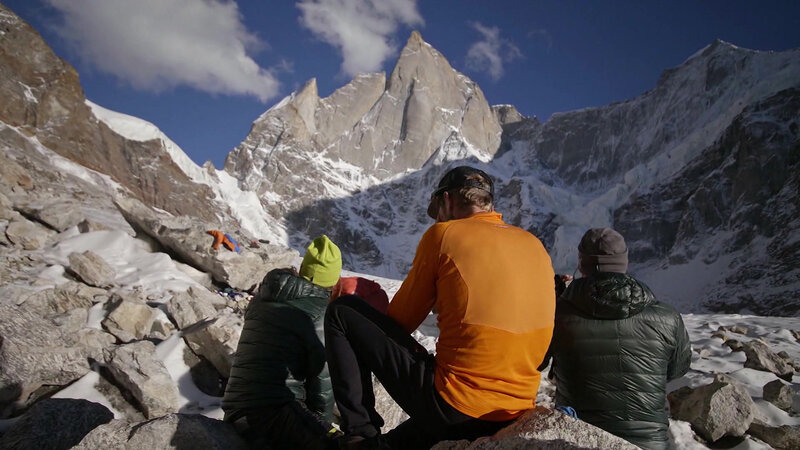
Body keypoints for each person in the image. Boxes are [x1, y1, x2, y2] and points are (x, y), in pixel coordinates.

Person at [324, 166, 556, 449]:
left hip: (456, 406)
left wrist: (369, 303)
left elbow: (400, 323)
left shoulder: (444, 235)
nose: (436, 219)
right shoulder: (534, 244)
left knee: (344, 313)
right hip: (513, 410)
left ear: (446, 201)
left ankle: (360, 434)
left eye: (437, 211)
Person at [544, 228, 691, 450]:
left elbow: (536, 362)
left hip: (580, 439)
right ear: (624, 262)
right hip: (649, 444)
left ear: (582, 264)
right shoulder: (667, 316)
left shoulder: (559, 314)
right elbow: (676, 370)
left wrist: (553, 300)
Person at [222, 235, 343, 450]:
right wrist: (320, 424)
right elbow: (322, 380)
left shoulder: (264, 297)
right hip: (275, 411)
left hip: (235, 407)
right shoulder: (319, 313)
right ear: (332, 280)